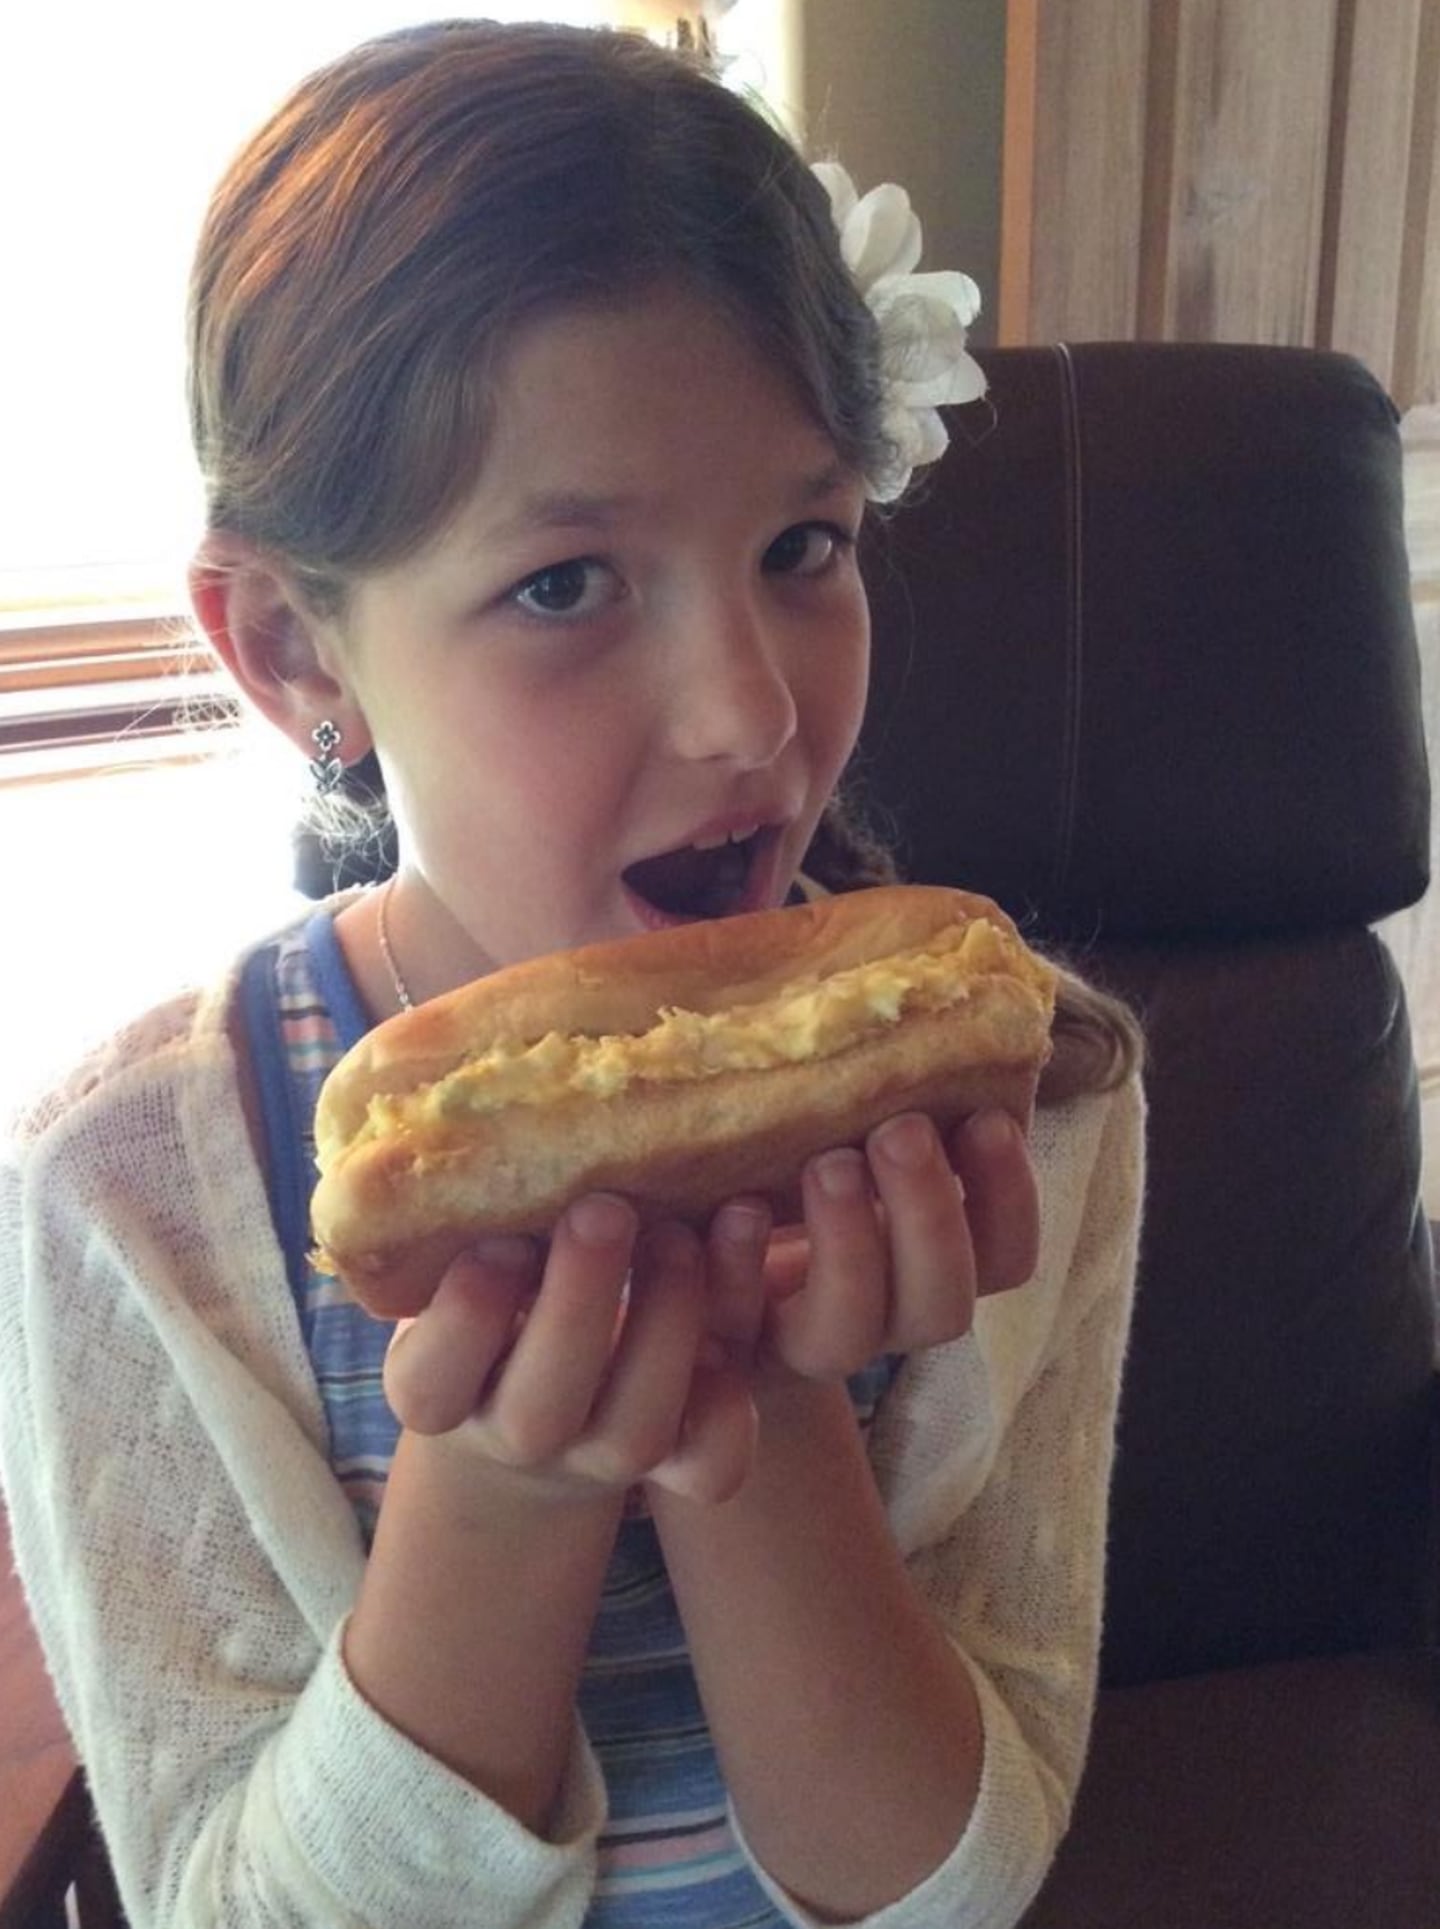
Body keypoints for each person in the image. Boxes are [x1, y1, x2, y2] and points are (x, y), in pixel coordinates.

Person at [0, 20, 1144, 1929]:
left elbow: (961, 1884)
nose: (755, 709)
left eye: (805, 542)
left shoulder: (1035, 1102)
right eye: (564, 582)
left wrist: (766, 1421)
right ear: (295, 651)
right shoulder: (125, 1200)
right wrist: (512, 1486)